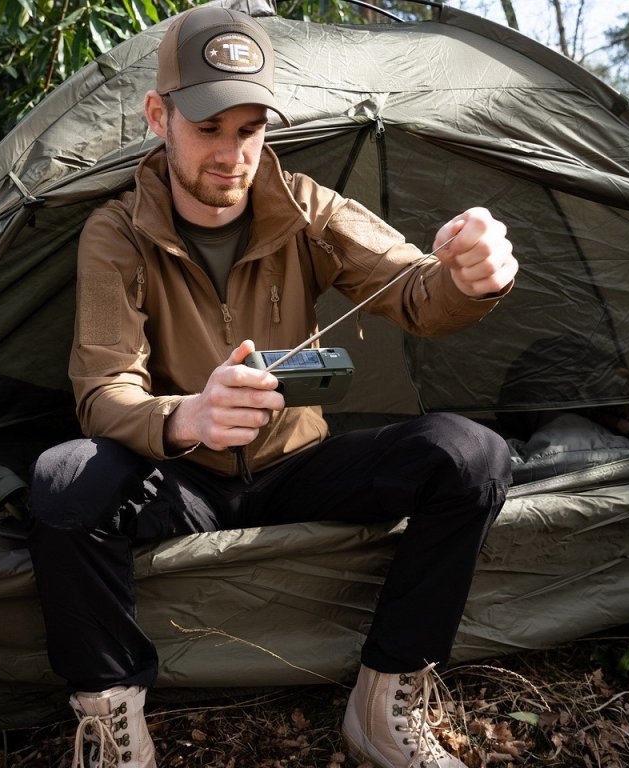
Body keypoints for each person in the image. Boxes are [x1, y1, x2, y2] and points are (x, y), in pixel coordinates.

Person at [27, 6, 518, 768]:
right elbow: (103, 390)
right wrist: (188, 416)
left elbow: (417, 292)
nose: (233, 155)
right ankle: (115, 725)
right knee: (64, 481)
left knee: (473, 455)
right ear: (159, 116)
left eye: (251, 129)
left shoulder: (304, 207)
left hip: (298, 468)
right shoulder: (117, 233)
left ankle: (384, 703)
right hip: (181, 478)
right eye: (209, 128)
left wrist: (472, 275)